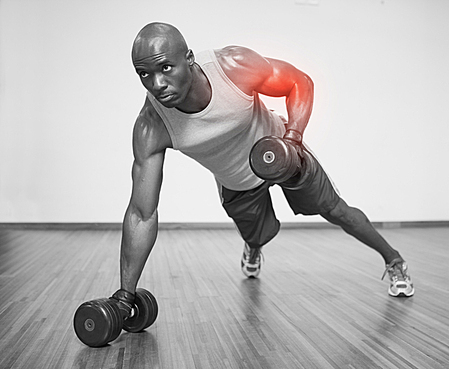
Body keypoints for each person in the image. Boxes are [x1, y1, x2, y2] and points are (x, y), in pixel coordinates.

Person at [110, 22, 414, 314]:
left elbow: (300, 82)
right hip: (237, 181)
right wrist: (126, 295)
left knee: (337, 210)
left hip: (283, 155)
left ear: (188, 59)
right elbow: (141, 213)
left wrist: (293, 139)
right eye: (144, 74)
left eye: (165, 68)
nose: (157, 84)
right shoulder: (152, 125)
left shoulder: (232, 67)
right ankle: (254, 246)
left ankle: (394, 260)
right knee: (257, 235)